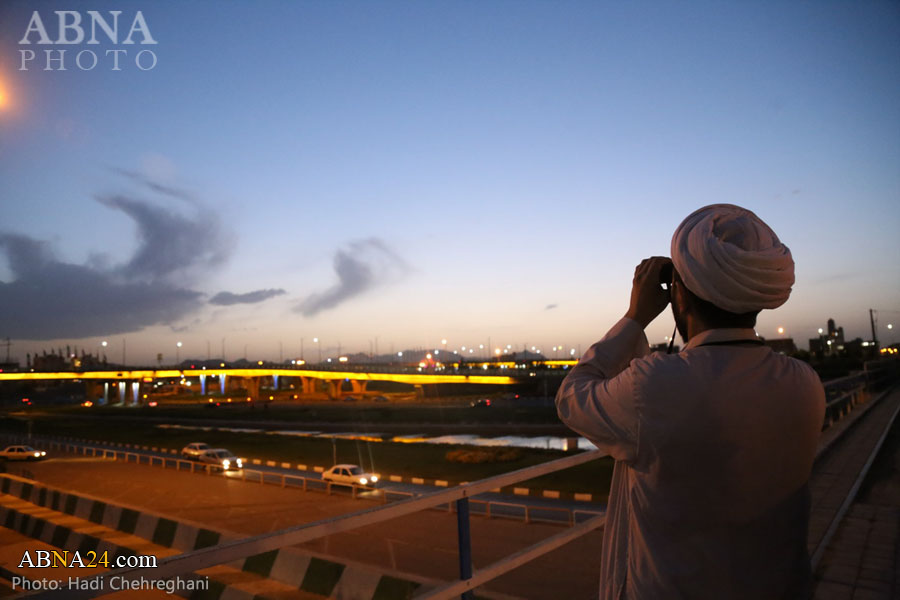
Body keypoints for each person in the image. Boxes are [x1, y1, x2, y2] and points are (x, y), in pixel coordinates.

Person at [556, 204, 825, 600]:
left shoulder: (653, 387)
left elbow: (571, 397)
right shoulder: (805, 384)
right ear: (756, 297)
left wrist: (635, 315)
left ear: (679, 296)